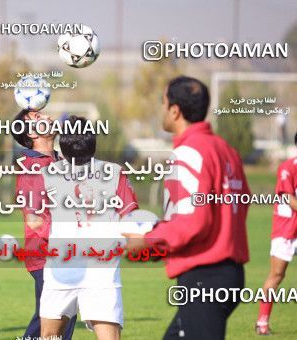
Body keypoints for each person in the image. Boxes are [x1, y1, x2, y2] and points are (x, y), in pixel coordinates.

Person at [124, 76, 250, 340]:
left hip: (204, 275)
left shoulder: (189, 152)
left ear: (175, 110)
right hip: (229, 273)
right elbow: (242, 201)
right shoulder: (226, 150)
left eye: (163, 102)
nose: (162, 109)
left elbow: (193, 221)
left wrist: (147, 242)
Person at [38, 115, 138, 340]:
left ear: (63, 146)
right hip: (100, 270)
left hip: (61, 268)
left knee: (49, 336)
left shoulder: (47, 175)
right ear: (93, 143)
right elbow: (131, 218)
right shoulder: (114, 172)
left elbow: (38, 222)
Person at [12, 109, 77, 340]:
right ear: (31, 133)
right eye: (39, 118)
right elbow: (34, 218)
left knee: (53, 321)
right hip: (46, 256)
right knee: (54, 323)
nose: (48, 117)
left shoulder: (61, 160)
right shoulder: (32, 165)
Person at [256, 132, 297, 335]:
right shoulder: (288, 168)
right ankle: (262, 322)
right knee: (277, 275)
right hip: (287, 229)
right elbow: (289, 200)